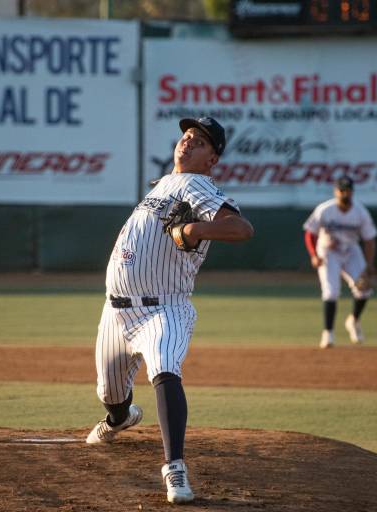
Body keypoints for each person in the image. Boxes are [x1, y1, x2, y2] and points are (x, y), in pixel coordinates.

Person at [85, 116, 254, 503]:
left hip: (164, 309)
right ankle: (119, 419)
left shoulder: (200, 186)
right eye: (186, 136)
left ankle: (174, 468)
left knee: (164, 369)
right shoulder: (164, 183)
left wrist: (192, 231)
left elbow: (241, 229)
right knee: (110, 395)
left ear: (213, 159)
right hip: (116, 313)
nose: (188, 141)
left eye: (200, 141)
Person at [303, 176, 377, 349]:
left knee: (364, 289)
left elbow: (370, 239)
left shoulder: (360, 212)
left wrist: (369, 263)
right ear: (336, 191)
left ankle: (354, 321)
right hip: (328, 252)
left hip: (351, 250)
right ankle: (328, 334)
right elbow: (310, 232)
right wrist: (314, 255)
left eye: (348, 190)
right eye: (342, 190)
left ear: (352, 191)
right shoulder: (325, 210)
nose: (345, 193)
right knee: (331, 292)